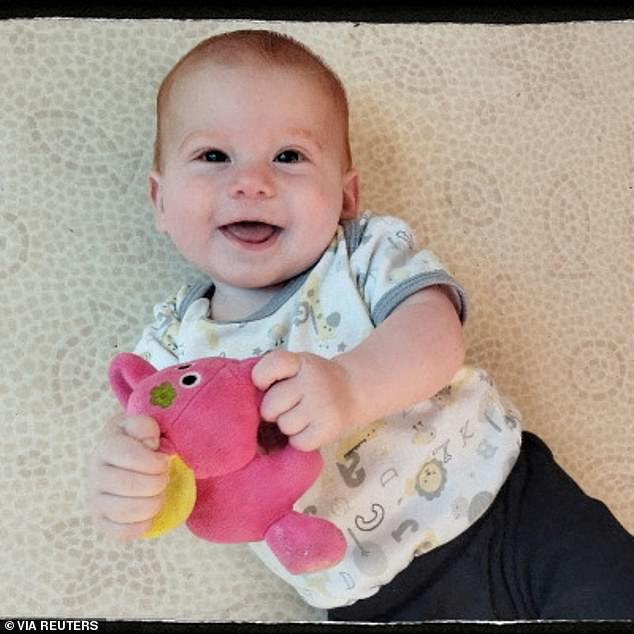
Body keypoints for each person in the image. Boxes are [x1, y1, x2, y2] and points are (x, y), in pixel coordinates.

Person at [86, 29, 634, 621]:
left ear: (345, 195)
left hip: (514, 503)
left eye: (289, 156)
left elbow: (437, 331)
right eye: (213, 156)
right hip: (377, 595)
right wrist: (128, 482)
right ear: (159, 200)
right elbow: (155, 449)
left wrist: (352, 386)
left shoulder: (364, 253)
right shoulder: (169, 350)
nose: (252, 182)